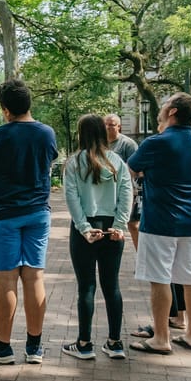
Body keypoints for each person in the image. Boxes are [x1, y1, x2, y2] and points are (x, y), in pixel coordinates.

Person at [0, 80, 58, 365]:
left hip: (4, 214)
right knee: (34, 276)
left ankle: (2, 347)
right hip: (37, 212)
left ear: (6, 109)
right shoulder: (47, 134)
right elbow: (45, 168)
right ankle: (34, 347)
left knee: (7, 277)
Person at [127, 93, 191, 354]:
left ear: (172, 111)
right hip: (189, 221)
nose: (160, 109)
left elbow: (133, 166)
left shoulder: (157, 142)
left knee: (159, 279)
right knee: (190, 278)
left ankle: (161, 338)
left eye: (164, 105)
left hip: (161, 219)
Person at [62, 115, 133, 360]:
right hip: (112, 228)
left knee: (87, 286)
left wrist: (83, 227)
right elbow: (127, 194)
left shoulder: (73, 163)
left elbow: (71, 197)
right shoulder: (117, 161)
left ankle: (84, 343)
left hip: (86, 229)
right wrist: (120, 225)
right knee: (112, 285)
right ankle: (115, 342)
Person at [105, 114, 141, 249]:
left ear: (119, 127)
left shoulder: (128, 144)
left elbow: (137, 168)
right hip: (107, 191)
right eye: (106, 124)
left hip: (127, 190)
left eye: (112, 124)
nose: (108, 127)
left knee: (133, 225)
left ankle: (141, 261)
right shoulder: (100, 143)